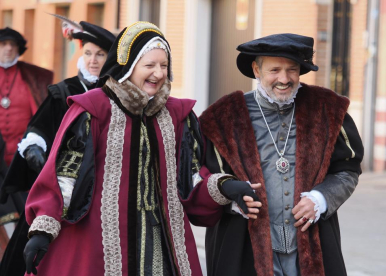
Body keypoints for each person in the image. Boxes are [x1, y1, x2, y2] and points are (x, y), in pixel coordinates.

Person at [23, 21, 232, 276]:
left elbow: (190, 178)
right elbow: (65, 175)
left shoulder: (177, 116)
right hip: (98, 243)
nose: (158, 73)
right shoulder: (93, 110)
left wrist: (224, 186)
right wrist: (44, 227)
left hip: (162, 243)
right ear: (129, 66)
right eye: (149, 65)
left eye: (164, 66)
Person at [199, 33, 364, 276]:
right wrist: (232, 196)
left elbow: (348, 170)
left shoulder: (327, 110)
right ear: (257, 70)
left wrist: (321, 198)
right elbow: (205, 178)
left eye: (292, 70)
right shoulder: (223, 117)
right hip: (244, 245)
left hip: (311, 245)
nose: (284, 79)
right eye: (274, 70)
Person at [0, 20, 115, 276]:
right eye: (88, 53)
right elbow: (38, 128)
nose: (93, 60)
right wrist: (35, 150)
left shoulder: (116, 93)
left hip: (102, 190)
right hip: (59, 186)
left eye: (100, 54)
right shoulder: (64, 91)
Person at [0, 27, 53, 166]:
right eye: (3, 44)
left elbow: (42, 116)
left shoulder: (34, 77)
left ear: (19, 48)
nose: (9, 48)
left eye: (13, 44)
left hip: (24, 152)